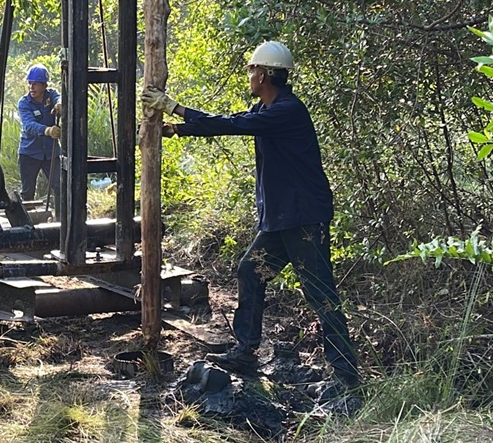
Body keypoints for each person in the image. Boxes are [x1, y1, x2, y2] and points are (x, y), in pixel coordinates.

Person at [142, 41, 360, 391]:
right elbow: (234, 123)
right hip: (282, 223)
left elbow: (233, 124)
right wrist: (178, 129)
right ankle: (246, 350)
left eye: (252, 70)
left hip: (303, 222)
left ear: (264, 74)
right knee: (251, 271)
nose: (250, 75)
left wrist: (175, 108)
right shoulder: (268, 108)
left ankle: (347, 377)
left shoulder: (286, 111)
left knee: (320, 294)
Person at [17, 63, 62, 205]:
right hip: (29, 153)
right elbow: (29, 125)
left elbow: (59, 98)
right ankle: (27, 223)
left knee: (60, 187)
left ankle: (61, 220)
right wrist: (47, 130)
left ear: (44, 85)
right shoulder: (24, 103)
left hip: (50, 153)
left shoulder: (51, 95)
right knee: (28, 192)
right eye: (30, 84)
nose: (31, 87)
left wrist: (60, 104)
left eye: (35, 84)